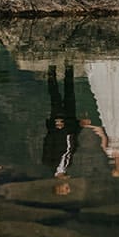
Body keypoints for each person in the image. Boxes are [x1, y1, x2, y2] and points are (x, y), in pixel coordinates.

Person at [41, 63, 81, 196]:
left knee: (55, 97)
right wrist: (79, 125)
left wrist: (55, 126)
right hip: (70, 124)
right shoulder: (68, 165)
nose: (69, 187)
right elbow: (72, 143)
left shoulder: (49, 162)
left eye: (66, 189)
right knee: (70, 94)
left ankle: (51, 70)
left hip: (58, 125)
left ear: (58, 186)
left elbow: (48, 142)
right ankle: (69, 67)